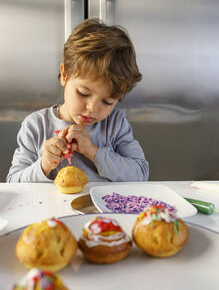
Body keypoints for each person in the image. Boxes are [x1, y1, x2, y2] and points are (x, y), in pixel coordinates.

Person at [6, 18, 149, 183]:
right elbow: (13, 183)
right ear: (65, 75)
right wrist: (44, 166)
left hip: (105, 209)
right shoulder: (36, 126)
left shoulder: (115, 124)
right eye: (83, 93)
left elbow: (140, 174)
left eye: (107, 102)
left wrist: (93, 152)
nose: (92, 109)